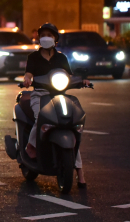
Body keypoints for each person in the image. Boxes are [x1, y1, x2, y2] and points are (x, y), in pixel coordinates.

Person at [23, 23, 87, 188]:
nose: (46, 37)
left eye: (50, 35)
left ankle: (79, 171)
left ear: (55, 39)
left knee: (71, 126)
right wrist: (27, 79)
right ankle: (31, 146)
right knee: (41, 118)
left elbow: (69, 76)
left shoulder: (61, 58)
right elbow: (29, 72)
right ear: (39, 38)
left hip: (59, 95)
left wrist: (82, 80)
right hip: (40, 95)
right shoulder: (33, 57)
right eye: (43, 34)